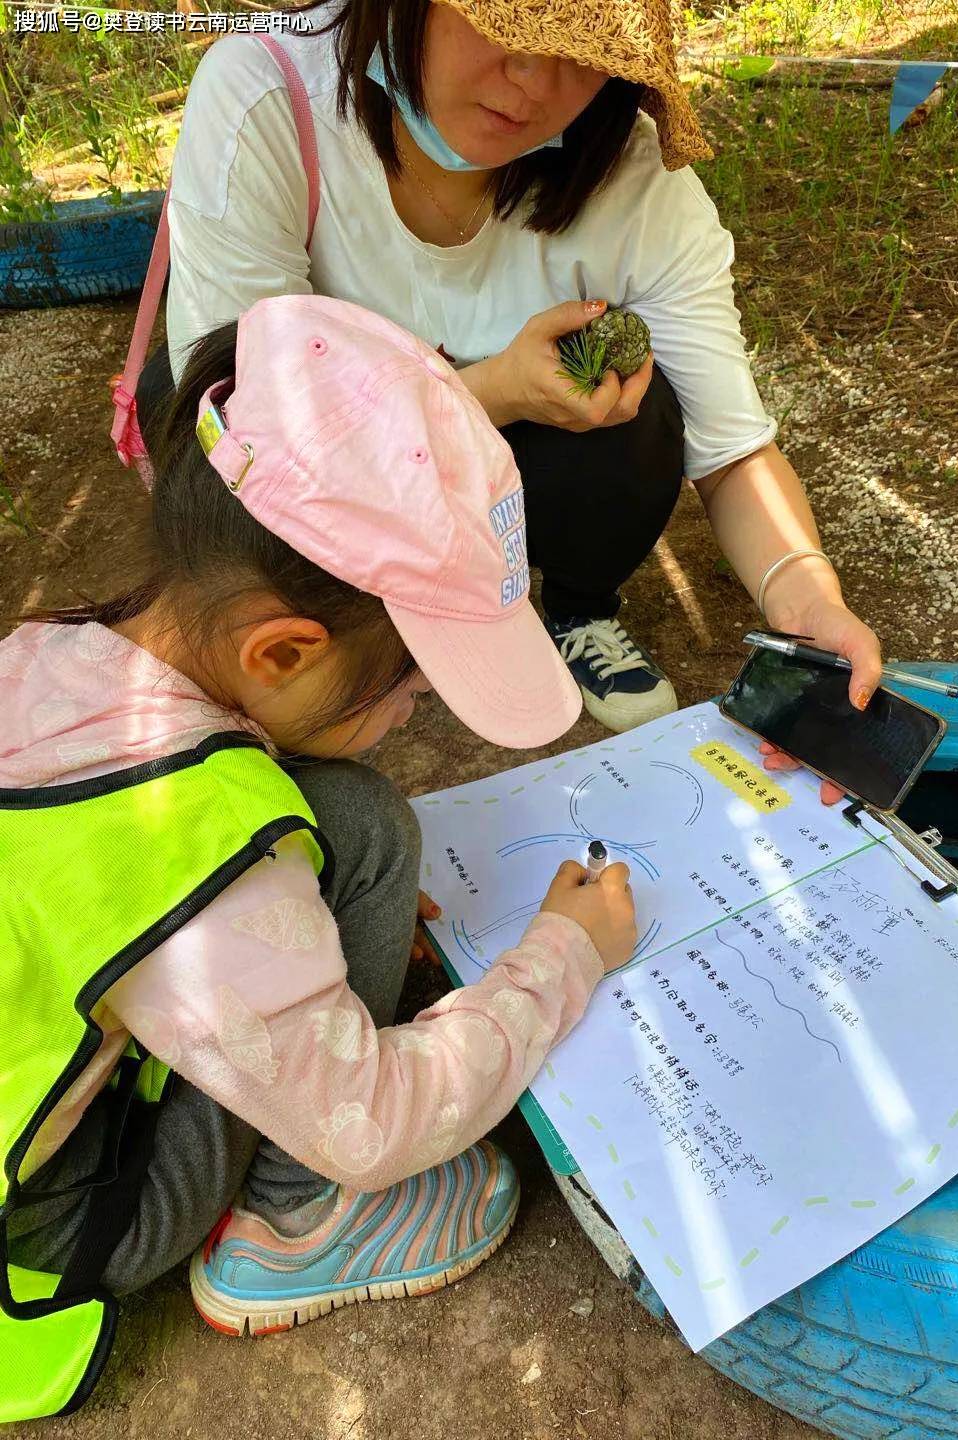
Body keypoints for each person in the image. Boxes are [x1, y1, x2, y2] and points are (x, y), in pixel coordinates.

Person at [0, 295, 636, 1419]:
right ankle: (301, 1230)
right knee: (358, 832)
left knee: (352, 819)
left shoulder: (49, 654)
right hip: (63, 1221)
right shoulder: (194, 855)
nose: (409, 717)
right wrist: (561, 957)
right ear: (283, 648)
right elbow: (378, 1119)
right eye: (409, 687)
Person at [134, 0, 883, 747]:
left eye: (580, 50)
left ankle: (573, 607)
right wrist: (489, 389)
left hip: (506, 460)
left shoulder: (637, 179)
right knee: (196, 412)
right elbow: (247, 429)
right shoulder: (266, 95)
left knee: (643, 414)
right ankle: (374, 632)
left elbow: (732, 451)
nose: (530, 80)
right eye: (503, 25)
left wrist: (804, 592)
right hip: (300, 463)